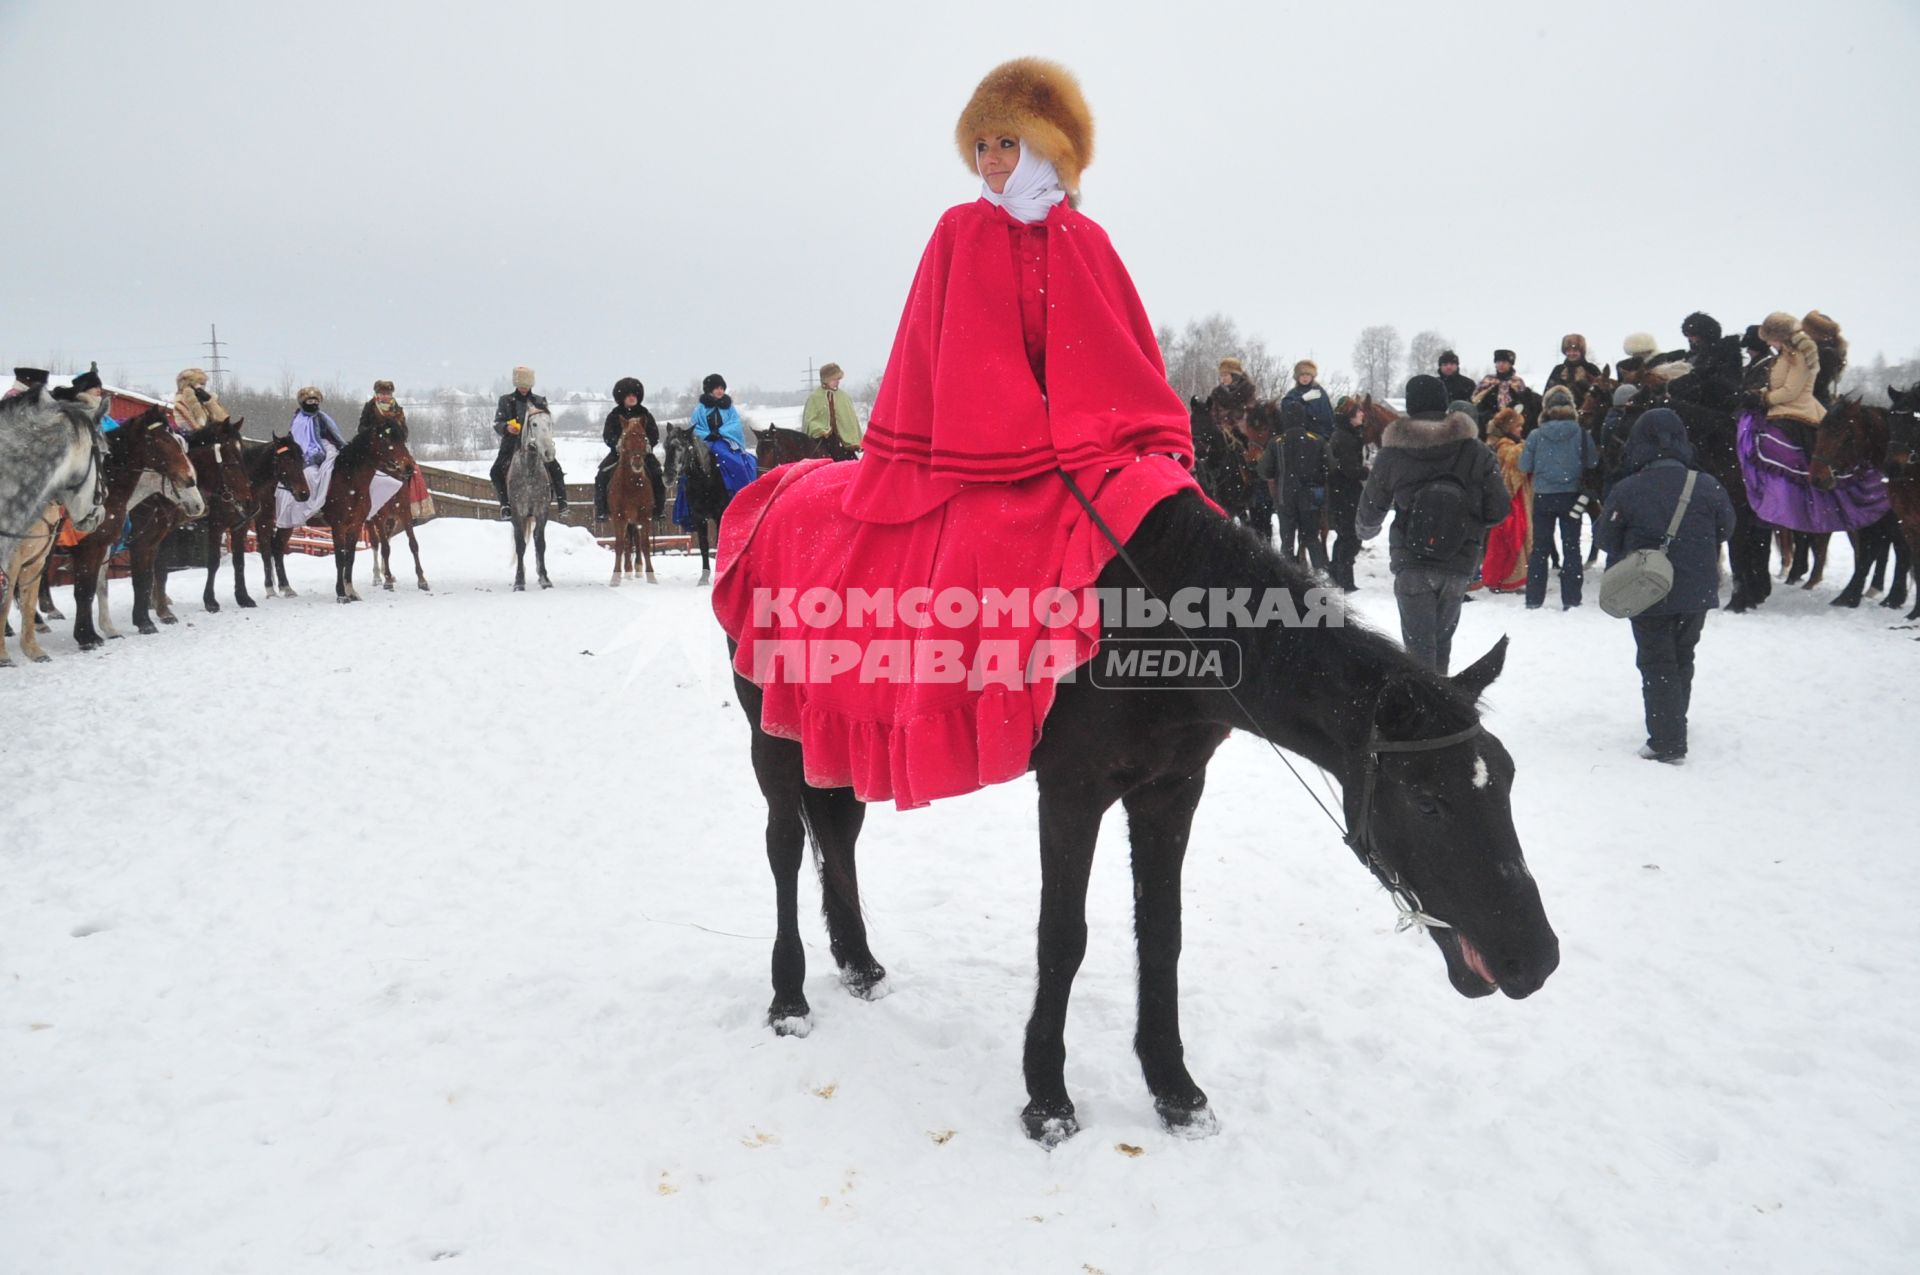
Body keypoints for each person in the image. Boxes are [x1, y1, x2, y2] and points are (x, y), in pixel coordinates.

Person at [1594, 408, 1735, 763]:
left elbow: (1606, 539)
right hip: (1697, 587)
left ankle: (1667, 739)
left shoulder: (1627, 488)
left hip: (1647, 587)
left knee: (1656, 660)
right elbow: (1727, 528)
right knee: (1683, 655)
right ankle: (1674, 720)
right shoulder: (1706, 484)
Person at [1356, 375, 1509, 673]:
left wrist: (1365, 530)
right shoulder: (1474, 449)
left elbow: (1370, 509)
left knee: (1418, 650)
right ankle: (1440, 704)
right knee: (1441, 644)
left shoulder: (1393, 453)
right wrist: (1467, 522)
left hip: (1411, 560)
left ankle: (1425, 709)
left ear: (1410, 406)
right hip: (1458, 561)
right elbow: (1498, 509)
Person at [1519, 384, 1598, 609]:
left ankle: (1534, 599)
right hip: (1572, 496)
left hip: (1543, 496)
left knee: (1540, 549)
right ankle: (1572, 599)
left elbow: (1524, 464)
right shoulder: (1581, 433)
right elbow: (1592, 461)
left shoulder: (1536, 435)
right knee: (1571, 546)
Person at [1259, 392, 1329, 573]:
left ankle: (1288, 574)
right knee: (1312, 538)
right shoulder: (1317, 440)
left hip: (1284, 497)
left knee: (1287, 539)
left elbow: (1264, 471)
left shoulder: (1276, 443)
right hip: (1310, 496)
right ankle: (1320, 574)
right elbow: (1331, 466)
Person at [491, 365, 564, 517]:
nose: (524, 388)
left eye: (527, 385)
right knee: (496, 471)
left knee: (555, 468)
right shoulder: (506, 401)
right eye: (521, 385)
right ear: (516, 384)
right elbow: (497, 423)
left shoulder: (539, 401)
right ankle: (505, 505)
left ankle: (563, 503)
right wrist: (507, 427)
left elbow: (546, 422)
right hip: (511, 445)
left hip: (537, 444)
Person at [595, 376, 665, 521]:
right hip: (619, 454)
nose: (632, 398)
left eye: (634, 395)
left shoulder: (645, 414)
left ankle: (659, 509)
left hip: (643, 454)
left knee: (657, 474)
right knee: (601, 475)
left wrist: (647, 445)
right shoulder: (614, 415)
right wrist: (617, 445)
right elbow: (607, 435)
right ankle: (602, 510)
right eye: (628, 395)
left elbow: (654, 434)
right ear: (622, 397)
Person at [1477, 407, 1531, 593]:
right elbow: (1513, 459)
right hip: (1509, 501)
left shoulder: (1505, 444)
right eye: (1517, 426)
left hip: (1509, 500)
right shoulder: (1503, 446)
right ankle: (1507, 578)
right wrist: (1530, 444)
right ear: (1508, 428)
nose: (1520, 430)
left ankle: (1509, 577)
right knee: (1509, 540)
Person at [1756, 312, 1823, 452]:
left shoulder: (1798, 355)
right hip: (1780, 410)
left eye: (1770, 339)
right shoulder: (1784, 355)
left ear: (1780, 336)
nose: (1768, 343)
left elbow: (1790, 391)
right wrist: (1756, 394)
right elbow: (1776, 385)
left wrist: (1763, 399)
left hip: (1797, 416)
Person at [1325, 395, 1368, 591]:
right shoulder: (1345, 437)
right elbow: (1350, 469)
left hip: (1342, 491)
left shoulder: (1347, 434)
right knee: (1350, 537)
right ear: (1350, 415)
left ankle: (1337, 574)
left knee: (1346, 536)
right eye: (1358, 411)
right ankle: (1344, 579)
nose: (1362, 414)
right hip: (1345, 492)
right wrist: (1368, 471)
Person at [801, 363, 863, 460]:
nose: (837, 382)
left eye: (838, 379)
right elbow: (809, 420)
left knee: (852, 462)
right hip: (822, 440)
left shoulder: (844, 397)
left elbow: (851, 420)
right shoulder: (815, 397)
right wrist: (821, 429)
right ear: (826, 379)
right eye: (834, 379)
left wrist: (852, 438)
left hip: (843, 441)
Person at [1472, 349, 1529, 430]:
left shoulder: (1517, 382)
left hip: (1512, 423)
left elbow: (1523, 403)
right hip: (1490, 423)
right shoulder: (1488, 380)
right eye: (1498, 362)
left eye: (1504, 362)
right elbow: (1476, 400)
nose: (1501, 365)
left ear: (1510, 364)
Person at [290, 387, 347, 466]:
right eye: (310, 401)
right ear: (303, 402)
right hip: (307, 451)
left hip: (325, 444)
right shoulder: (299, 420)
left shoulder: (322, 417)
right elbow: (299, 439)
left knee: (333, 457)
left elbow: (333, 433)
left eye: (316, 401)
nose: (313, 404)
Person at [1801, 309, 1847, 407]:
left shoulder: (1826, 353)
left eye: (1807, 331)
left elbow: (1817, 384)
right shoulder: (1817, 350)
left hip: (1813, 403)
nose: (1804, 334)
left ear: (1816, 332)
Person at [1543, 334, 1603, 403]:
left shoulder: (1591, 368)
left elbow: (1602, 394)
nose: (1571, 353)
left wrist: (1585, 384)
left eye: (1575, 350)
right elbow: (1546, 395)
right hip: (1562, 410)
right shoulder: (1558, 369)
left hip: (1587, 410)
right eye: (1568, 350)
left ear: (1581, 352)